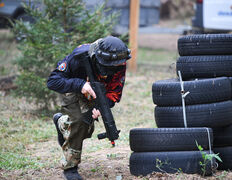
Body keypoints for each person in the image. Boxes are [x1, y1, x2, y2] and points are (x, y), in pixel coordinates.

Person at [47, 36, 131, 180]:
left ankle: (61, 123)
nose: (111, 70)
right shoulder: (78, 57)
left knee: (87, 129)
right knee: (79, 123)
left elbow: (115, 90)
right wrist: (80, 85)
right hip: (74, 88)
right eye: (108, 66)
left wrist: (103, 105)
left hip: (98, 92)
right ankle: (70, 167)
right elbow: (53, 81)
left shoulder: (119, 61)